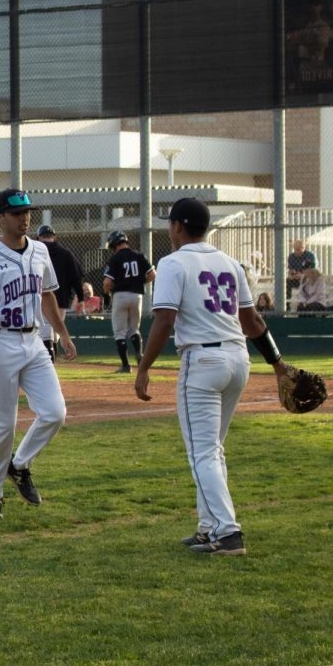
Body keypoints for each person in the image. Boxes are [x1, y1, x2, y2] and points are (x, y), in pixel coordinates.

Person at [135, 197, 295, 556]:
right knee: (212, 450)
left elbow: (164, 320)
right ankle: (208, 528)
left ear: (178, 226)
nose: (168, 229)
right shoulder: (230, 263)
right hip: (238, 359)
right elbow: (252, 322)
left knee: (202, 452)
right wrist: (278, 363)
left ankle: (228, 532)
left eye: (170, 223)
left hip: (203, 361)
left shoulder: (173, 263)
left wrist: (144, 367)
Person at [0, 189, 77, 521]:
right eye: (16, 213)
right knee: (4, 424)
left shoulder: (40, 251)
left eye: (27, 212)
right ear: (0, 217)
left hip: (34, 340)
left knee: (55, 412)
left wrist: (63, 335)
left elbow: (48, 297)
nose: (24, 218)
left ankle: (19, 465)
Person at [102, 230, 156, 373]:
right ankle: (139, 353)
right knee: (134, 329)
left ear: (114, 244)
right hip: (137, 295)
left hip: (120, 295)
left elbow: (107, 282)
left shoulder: (115, 259)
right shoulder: (139, 256)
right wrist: (139, 282)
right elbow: (152, 274)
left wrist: (106, 295)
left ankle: (126, 365)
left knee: (120, 332)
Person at [36, 224, 85, 362]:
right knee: (55, 332)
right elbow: (76, 278)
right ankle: (51, 363)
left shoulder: (35, 253)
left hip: (42, 298)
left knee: (46, 333)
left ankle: (49, 364)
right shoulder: (66, 253)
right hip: (62, 300)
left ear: (39, 237)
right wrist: (81, 298)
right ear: (54, 237)